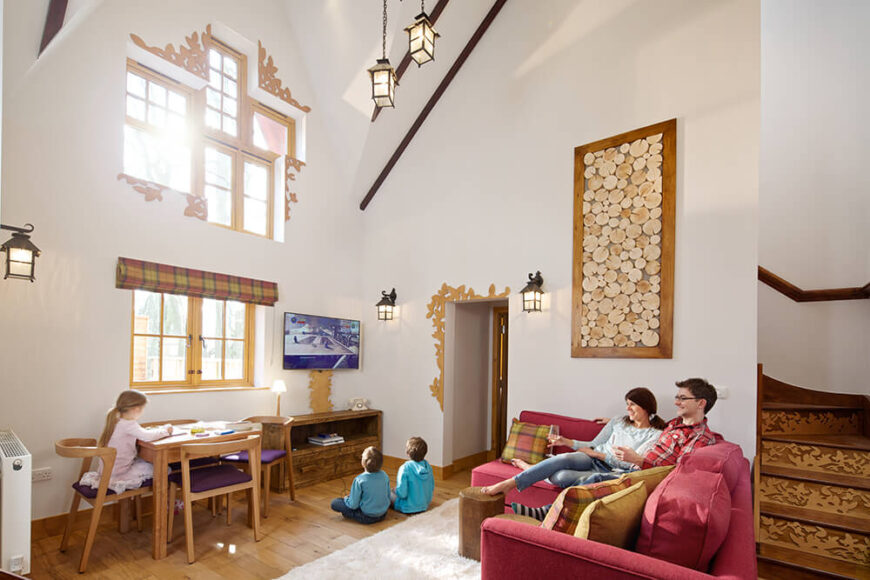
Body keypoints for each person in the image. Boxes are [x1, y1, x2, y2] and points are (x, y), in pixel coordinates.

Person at [481, 387, 666, 497]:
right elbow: (593, 443)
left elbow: (633, 464)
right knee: (566, 458)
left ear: (646, 407)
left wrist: (599, 454)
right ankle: (509, 484)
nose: (628, 408)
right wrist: (565, 441)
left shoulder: (655, 434)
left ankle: (528, 468)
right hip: (591, 459)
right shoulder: (618, 421)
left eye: (632, 404)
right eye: (627, 403)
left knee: (560, 477)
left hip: (613, 471)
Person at [78, 389, 173, 494]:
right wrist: (166, 431)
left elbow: (141, 434)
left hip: (108, 471)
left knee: (147, 463)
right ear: (136, 409)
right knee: (163, 468)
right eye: (142, 409)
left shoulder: (115, 420)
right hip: (120, 473)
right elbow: (147, 437)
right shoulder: (129, 425)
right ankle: (167, 505)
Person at [614, 377, 718, 469]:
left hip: (645, 481)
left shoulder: (699, 437)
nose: (676, 403)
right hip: (632, 472)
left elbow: (679, 472)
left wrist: (638, 460)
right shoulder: (675, 422)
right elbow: (650, 424)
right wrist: (615, 421)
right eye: (677, 398)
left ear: (701, 403)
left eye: (682, 398)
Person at [330, 446, 391, 524]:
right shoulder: (385, 475)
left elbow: (353, 505)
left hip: (366, 517)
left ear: (363, 463)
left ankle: (351, 514)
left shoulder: (359, 480)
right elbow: (387, 496)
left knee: (335, 503)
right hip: (383, 514)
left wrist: (346, 499)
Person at [391, 436, 434, 514]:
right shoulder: (428, 467)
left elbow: (402, 494)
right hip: (425, 505)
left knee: (389, 493)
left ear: (407, 453)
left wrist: (396, 490)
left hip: (408, 507)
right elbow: (432, 487)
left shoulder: (405, 468)